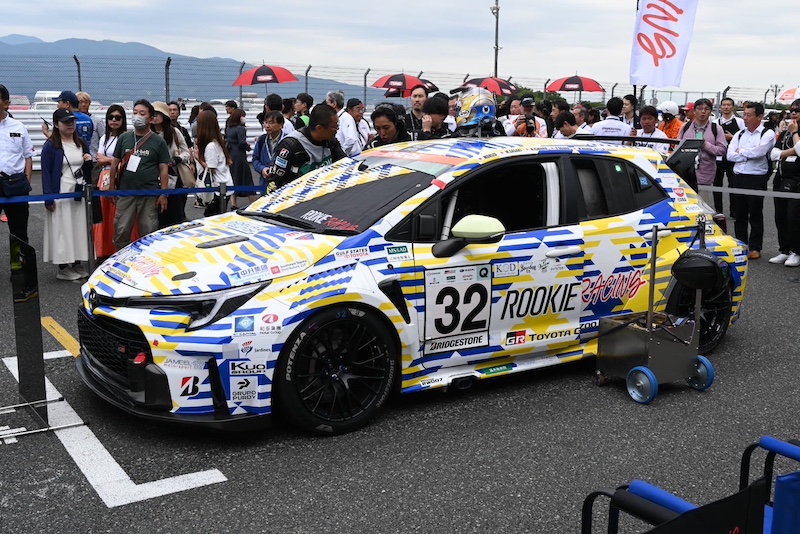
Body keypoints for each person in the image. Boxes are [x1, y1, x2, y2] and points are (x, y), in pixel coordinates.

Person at [107, 99, 171, 251]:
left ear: (150, 118)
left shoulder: (158, 141)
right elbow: (115, 164)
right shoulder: (124, 138)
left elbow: (164, 169)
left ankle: (148, 258)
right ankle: (121, 257)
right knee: (121, 229)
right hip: (126, 192)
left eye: (142, 113)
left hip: (149, 193)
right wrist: (112, 186)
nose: (137, 116)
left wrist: (163, 194)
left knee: (148, 230)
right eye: (135, 113)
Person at [40, 109, 93, 281]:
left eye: (72, 121)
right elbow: (46, 172)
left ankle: (77, 262)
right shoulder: (51, 146)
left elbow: (87, 169)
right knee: (62, 228)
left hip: (78, 191)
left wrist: (89, 162)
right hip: (61, 191)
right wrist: (49, 197)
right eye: (65, 122)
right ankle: (63, 267)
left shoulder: (81, 143)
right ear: (56, 124)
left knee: (78, 226)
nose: (70, 124)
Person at [726, 102, 776, 260]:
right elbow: (730, 155)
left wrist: (741, 152)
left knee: (755, 214)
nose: (745, 118)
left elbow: (759, 152)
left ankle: (755, 247)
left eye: (749, 115)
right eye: (744, 115)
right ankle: (741, 244)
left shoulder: (767, 133)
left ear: (759, 117)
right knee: (739, 214)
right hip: (738, 177)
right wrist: (746, 154)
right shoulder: (740, 134)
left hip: (756, 178)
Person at [0, 84, 35, 287]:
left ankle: (20, 270)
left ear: (6, 103)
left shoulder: (18, 127)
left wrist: (27, 181)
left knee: (19, 232)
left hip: (15, 184)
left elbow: (28, 156)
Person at [269, 104, 346, 191]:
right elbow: (274, 184)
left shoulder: (331, 141)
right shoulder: (290, 146)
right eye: (335, 126)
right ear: (319, 128)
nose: (337, 129)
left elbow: (345, 164)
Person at [94, 105, 132, 260]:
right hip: (104, 177)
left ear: (123, 120)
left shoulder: (127, 137)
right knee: (104, 214)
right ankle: (104, 249)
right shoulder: (104, 138)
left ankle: (120, 248)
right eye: (111, 117)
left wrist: (109, 160)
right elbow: (98, 159)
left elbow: (127, 160)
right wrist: (114, 161)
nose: (114, 120)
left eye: (117, 117)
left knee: (120, 213)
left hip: (121, 177)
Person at [768, 101, 800, 267]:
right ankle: (785, 249)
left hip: (797, 181)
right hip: (781, 179)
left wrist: (795, 133)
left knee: (794, 217)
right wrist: (792, 150)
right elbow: (774, 154)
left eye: (797, 110)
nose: (793, 113)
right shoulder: (785, 132)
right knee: (780, 216)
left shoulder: (793, 131)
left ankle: (796, 251)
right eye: (791, 110)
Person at [677, 98, 728, 199]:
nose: (703, 111)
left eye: (707, 109)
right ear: (694, 111)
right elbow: (677, 147)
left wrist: (706, 145)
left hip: (705, 174)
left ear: (710, 112)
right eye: (700, 108)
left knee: (701, 203)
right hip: (686, 173)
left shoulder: (716, 128)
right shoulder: (685, 127)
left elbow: (722, 150)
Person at [151, 101, 190, 227]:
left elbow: (186, 152)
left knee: (174, 218)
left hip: (173, 177)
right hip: (152, 179)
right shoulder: (146, 133)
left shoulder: (174, 132)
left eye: (158, 114)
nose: (154, 117)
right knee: (155, 218)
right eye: (152, 114)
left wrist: (177, 159)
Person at [195, 110, 234, 217]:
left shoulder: (211, 146)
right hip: (224, 184)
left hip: (219, 187)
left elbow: (211, 168)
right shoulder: (217, 142)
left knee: (212, 216)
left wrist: (198, 158)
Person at [715, 97, 746, 216]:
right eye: (724, 105)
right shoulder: (715, 122)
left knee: (733, 183)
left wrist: (732, 137)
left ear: (733, 107)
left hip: (733, 157)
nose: (726, 107)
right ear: (720, 107)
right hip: (719, 156)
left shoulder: (740, 122)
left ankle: (734, 211)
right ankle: (718, 210)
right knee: (717, 184)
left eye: (729, 105)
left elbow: (745, 137)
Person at [225, 108, 256, 208]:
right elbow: (242, 143)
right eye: (243, 116)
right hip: (239, 155)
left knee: (233, 177)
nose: (244, 118)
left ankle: (233, 203)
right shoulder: (241, 129)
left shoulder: (229, 128)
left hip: (230, 153)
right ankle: (253, 203)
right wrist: (248, 147)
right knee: (246, 178)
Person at [252, 111, 286, 188]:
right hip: (265, 183)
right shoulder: (262, 140)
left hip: (282, 184)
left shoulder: (287, 141)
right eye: (265, 122)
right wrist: (262, 169)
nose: (267, 126)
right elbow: (255, 159)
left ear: (281, 125)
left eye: (271, 123)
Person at [77, 91, 105, 165]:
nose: (83, 104)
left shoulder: (97, 121)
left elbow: (103, 138)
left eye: (86, 102)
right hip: (77, 158)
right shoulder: (73, 120)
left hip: (93, 158)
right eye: (81, 102)